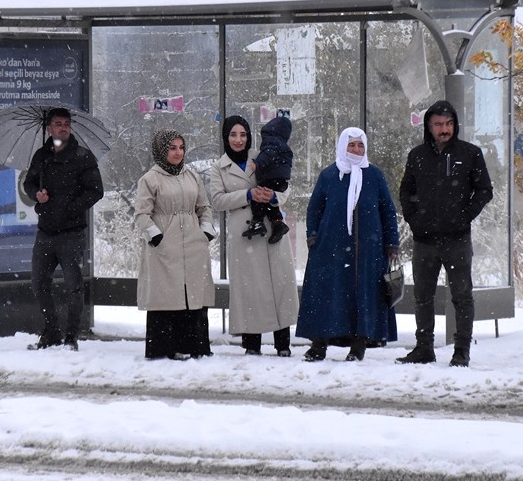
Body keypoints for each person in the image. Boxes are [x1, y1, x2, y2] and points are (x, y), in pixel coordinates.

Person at [397, 99, 493, 368]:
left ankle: (461, 350)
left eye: (449, 123)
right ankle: (424, 347)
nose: (444, 129)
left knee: (462, 295)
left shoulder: (470, 153)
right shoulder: (417, 156)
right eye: (438, 124)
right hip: (424, 239)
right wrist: (414, 219)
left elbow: (484, 190)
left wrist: (463, 216)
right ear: (429, 126)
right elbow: (406, 191)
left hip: (457, 238)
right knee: (423, 295)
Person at [295, 127, 400, 362]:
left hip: (367, 250)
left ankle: (359, 343)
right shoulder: (330, 175)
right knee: (327, 294)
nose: (355, 149)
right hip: (330, 248)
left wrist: (392, 243)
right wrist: (313, 236)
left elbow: (387, 210)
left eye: (360, 145)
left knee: (362, 295)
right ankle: (319, 343)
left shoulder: (374, 175)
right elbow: (315, 208)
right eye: (351, 145)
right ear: (343, 146)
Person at [208, 115, 299, 356]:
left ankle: (283, 344)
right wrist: (247, 195)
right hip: (244, 234)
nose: (238, 140)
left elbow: (285, 187)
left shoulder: (261, 155)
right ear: (225, 137)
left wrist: (271, 197)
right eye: (233, 135)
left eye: (243, 135)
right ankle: (252, 344)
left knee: (278, 285)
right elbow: (217, 201)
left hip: (271, 229)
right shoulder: (219, 168)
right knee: (250, 290)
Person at [22, 107, 105, 351]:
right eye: (58, 123)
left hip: (71, 232)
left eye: (66, 123)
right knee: (39, 283)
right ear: (49, 128)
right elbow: (29, 182)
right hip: (45, 231)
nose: (63, 127)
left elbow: (95, 191)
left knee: (73, 285)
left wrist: (70, 207)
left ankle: (71, 337)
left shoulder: (82, 156)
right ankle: (51, 332)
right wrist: (36, 195)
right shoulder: (41, 156)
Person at [135, 129, 216, 360]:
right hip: (164, 246)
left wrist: (206, 231)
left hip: (193, 244)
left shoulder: (192, 176)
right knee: (167, 295)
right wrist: (155, 235)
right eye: (172, 148)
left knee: (193, 293)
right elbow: (142, 213)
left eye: (181, 147)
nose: (178, 152)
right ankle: (166, 347)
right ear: (162, 150)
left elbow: (204, 207)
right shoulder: (150, 179)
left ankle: (195, 346)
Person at [243, 115, 293, 244]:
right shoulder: (282, 145)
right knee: (270, 204)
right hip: (280, 180)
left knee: (258, 199)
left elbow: (268, 154)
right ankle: (277, 224)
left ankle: (258, 222)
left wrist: (257, 164)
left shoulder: (272, 143)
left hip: (271, 178)